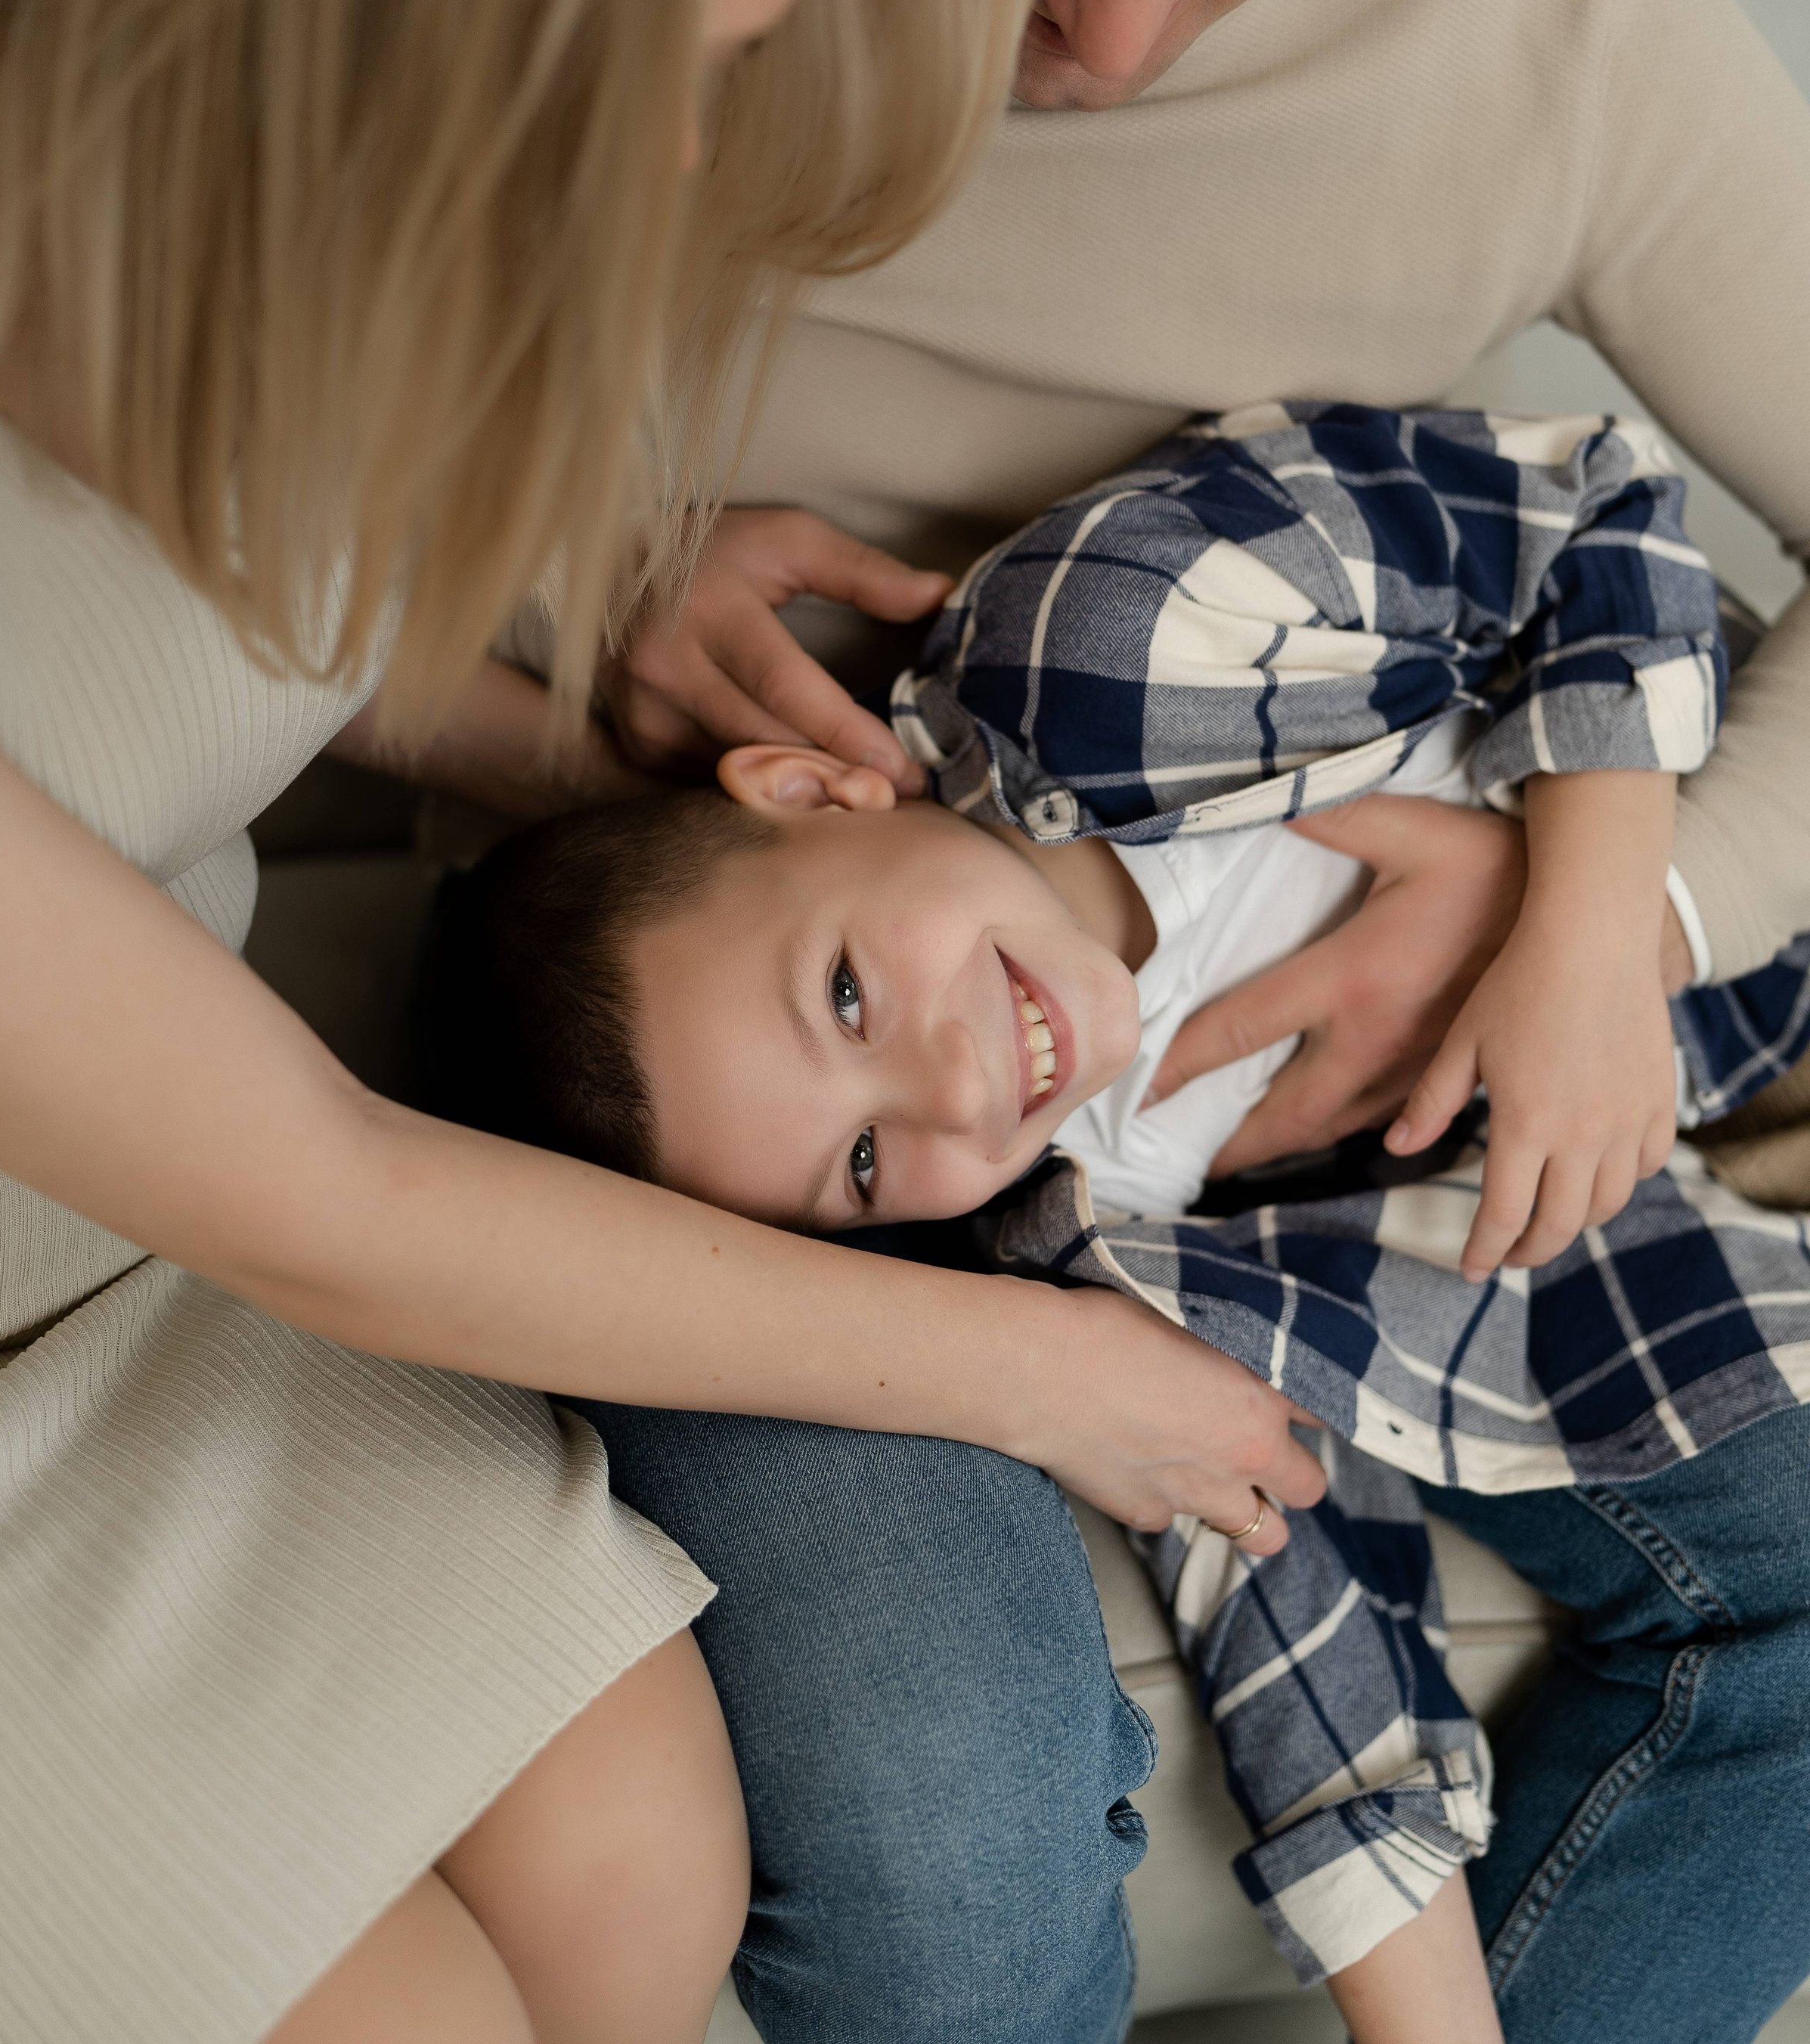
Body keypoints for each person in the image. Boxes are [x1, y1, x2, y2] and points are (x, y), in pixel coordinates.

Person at [0, 0, 1159, 2037]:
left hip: (103, 1257)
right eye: (679, 50)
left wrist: (603, 746)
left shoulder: (221, 208)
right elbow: (326, 1188)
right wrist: (1053, 1369)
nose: (680, 151)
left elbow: (89, 666)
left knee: (640, 1874)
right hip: (16, 1300)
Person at [579, 0, 1810, 2040]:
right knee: (944, 1841)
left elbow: (1604, 532)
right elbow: (237, 552)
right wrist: (572, 610)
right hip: (709, 1094)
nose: (1120, 37)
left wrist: (1619, 900)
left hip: (1326, 1127)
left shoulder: (1555, 19)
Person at [423, 399, 1806, 2044]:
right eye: (864, 1169)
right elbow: (1284, 1543)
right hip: (1650, 1127)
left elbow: (1591, 502)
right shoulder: (1087, 1222)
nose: (948, 1091)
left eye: (850, 993)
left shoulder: (1115, 638)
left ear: (815, 790)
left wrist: (1594, 933)